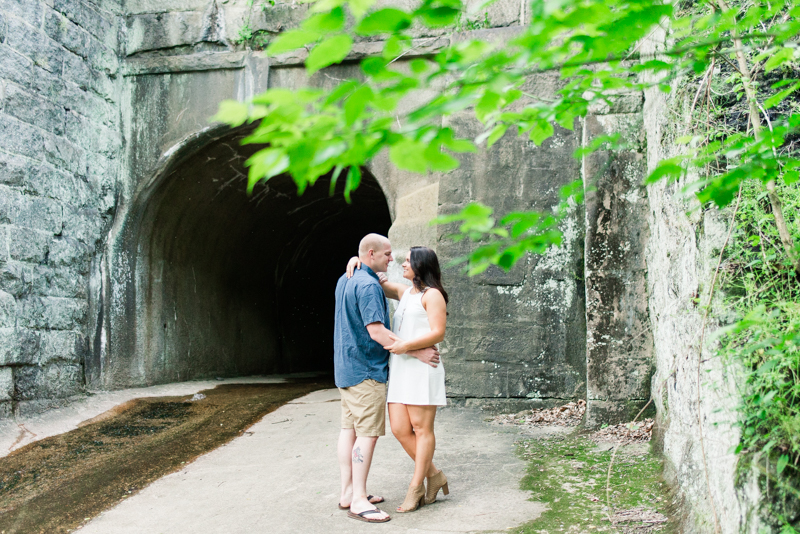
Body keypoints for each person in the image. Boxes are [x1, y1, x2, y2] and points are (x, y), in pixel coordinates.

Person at [334, 234, 440, 523]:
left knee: (349, 431)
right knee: (366, 435)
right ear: (371, 253)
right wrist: (417, 352)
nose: (392, 260)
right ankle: (358, 500)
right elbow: (377, 332)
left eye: (399, 257)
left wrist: (356, 259)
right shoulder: (367, 284)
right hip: (366, 370)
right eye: (388, 254)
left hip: (346, 368)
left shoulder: (347, 277)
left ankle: (348, 492)